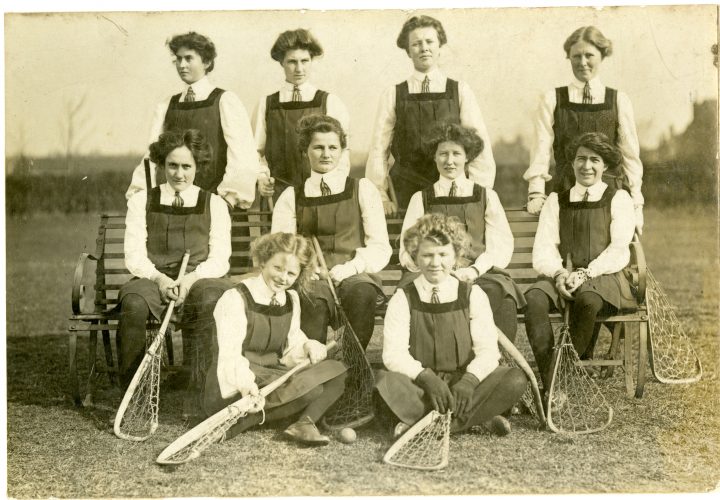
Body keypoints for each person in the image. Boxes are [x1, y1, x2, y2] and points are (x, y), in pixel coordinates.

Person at [376, 213, 528, 437]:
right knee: (385, 383)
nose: (435, 263)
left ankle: (424, 425)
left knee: (514, 379)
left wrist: (469, 380)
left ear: (456, 255)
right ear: (416, 257)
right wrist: (425, 377)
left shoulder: (472, 294)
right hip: (421, 385)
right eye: (427, 255)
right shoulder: (403, 297)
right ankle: (474, 419)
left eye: (443, 254)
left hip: (463, 385)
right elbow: (393, 354)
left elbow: (488, 350)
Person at [204, 232, 347, 445]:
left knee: (338, 372)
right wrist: (246, 386)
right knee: (312, 391)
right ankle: (243, 420)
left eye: (291, 273)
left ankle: (303, 423)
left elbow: (290, 348)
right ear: (262, 262)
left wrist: (308, 345)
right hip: (238, 380)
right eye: (277, 268)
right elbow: (230, 355)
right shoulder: (235, 298)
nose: (283, 278)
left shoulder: (291, 298)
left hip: (273, 374)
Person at [118, 129, 233, 391]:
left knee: (209, 299)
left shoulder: (214, 204)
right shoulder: (141, 201)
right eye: (172, 166)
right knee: (134, 303)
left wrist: (190, 279)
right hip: (154, 277)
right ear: (161, 166)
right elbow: (134, 254)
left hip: (201, 278)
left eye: (186, 166)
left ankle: (201, 383)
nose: (179, 174)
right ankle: (135, 388)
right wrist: (159, 280)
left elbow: (220, 259)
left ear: (197, 167)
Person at [524, 132, 637, 397]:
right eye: (581, 159)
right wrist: (560, 273)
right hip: (562, 274)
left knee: (588, 300)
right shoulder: (557, 200)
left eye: (594, 160)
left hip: (603, 274)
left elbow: (619, 248)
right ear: (572, 163)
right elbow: (543, 247)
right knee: (534, 300)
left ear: (605, 165)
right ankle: (551, 380)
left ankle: (557, 382)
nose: (587, 166)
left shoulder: (617, 198)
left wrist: (586, 273)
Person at [271, 114, 391, 350]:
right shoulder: (291, 196)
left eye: (333, 147)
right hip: (312, 275)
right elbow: (281, 247)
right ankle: (316, 373)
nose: (326, 154)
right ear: (306, 150)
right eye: (318, 147)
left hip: (355, 272)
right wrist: (305, 269)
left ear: (342, 151)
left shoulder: (362, 189)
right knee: (311, 298)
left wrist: (350, 268)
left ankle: (352, 367)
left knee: (362, 292)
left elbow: (380, 246)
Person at [398, 122, 525, 342]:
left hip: (478, 273)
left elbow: (500, 245)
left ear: (467, 157)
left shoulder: (486, 196)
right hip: (432, 272)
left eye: (456, 153)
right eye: (443, 154)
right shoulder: (421, 198)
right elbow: (407, 248)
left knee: (501, 295)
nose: (449, 161)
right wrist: (436, 269)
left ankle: (501, 365)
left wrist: (474, 271)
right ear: (434, 157)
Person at [365, 14, 496, 214]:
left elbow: (479, 145)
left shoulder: (460, 90)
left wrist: (479, 192)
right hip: (405, 191)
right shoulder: (393, 94)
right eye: (416, 43)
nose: (424, 47)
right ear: (408, 51)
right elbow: (378, 150)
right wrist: (380, 196)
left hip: (451, 188)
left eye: (429, 41)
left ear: (439, 46)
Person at [524, 26, 645, 235]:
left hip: (611, 194)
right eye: (576, 56)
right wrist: (536, 192)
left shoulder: (619, 101)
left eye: (589, 55)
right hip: (567, 191)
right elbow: (541, 149)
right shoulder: (552, 99)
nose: (582, 62)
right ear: (568, 57)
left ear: (602, 55)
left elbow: (630, 156)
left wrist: (636, 203)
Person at [126, 31, 259, 209]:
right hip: (175, 205)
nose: (182, 65)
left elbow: (243, 155)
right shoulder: (166, 105)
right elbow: (152, 157)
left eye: (189, 58)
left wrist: (228, 200)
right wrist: (139, 193)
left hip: (217, 205)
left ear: (206, 62)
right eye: (178, 59)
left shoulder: (225, 100)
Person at [255, 28, 351, 203]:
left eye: (305, 61)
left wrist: (334, 185)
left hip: (320, 191)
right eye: (292, 61)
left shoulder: (329, 101)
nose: (299, 68)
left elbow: (343, 151)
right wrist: (261, 178)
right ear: (281, 62)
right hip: (277, 193)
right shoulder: (267, 104)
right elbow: (255, 151)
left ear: (312, 61)